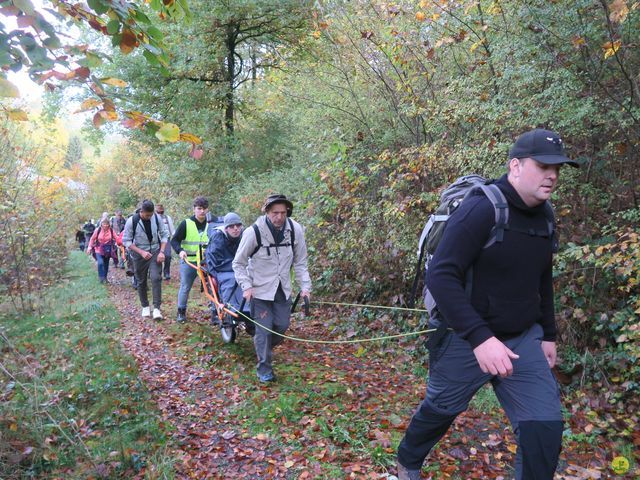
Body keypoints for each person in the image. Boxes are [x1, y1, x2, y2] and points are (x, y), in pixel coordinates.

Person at [396, 129, 579, 480]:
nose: (553, 175)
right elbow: (442, 276)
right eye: (543, 166)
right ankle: (408, 459)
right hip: (465, 338)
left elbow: (541, 278)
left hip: (522, 339)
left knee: (545, 429)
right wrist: (481, 339)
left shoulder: (545, 216)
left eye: (558, 168)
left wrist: (549, 334)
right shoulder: (481, 208)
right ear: (515, 166)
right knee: (441, 409)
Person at [233, 194, 312, 383]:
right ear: (267, 212)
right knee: (265, 330)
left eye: (283, 213)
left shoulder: (295, 230)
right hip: (259, 291)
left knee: (281, 327)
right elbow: (238, 263)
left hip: (282, 289)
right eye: (275, 213)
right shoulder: (254, 232)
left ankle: (263, 348)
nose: (279, 217)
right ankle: (264, 369)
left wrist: (305, 287)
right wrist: (246, 286)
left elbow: (301, 262)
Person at [122, 200, 169, 320]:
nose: (149, 217)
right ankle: (145, 306)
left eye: (151, 215)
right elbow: (126, 241)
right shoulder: (132, 221)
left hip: (155, 251)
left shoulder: (157, 218)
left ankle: (157, 309)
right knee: (141, 280)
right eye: (146, 215)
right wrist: (141, 252)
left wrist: (162, 252)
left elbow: (164, 235)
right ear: (141, 211)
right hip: (139, 254)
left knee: (156, 278)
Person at [204, 212, 251, 329]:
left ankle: (250, 308)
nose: (235, 229)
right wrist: (237, 266)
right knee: (231, 279)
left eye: (238, 225)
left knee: (250, 278)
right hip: (220, 268)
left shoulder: (244, 236)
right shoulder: (218, 238)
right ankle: (230, 308)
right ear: (226, 228)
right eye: (231, 226)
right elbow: (215, 260)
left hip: (238, 266)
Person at [171, 196, 210, 323]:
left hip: (207, 261)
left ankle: (215, 312)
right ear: (194, 209)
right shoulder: (186, 223)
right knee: (185, 286)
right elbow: (175, 240)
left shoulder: (212, 224)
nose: (202, 211)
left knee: (212, 286)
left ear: (208, 210)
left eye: (204, 209)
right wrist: (180, 251)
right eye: (199, 209)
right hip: (189, 261)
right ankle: (181, 312)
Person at [86, 218, 118, 283]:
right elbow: (92, 239)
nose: (105, 225)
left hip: (107, 249)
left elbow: (117, 238)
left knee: (106, 264)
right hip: (98, 249)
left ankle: (105, 278)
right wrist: (89, 247)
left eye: (107, 224)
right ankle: (101, 277)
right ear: (101, 224)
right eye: (104, 224)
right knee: (100, 263)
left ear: (109, 224)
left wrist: (121, 243)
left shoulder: (111, 230)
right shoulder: (98, 230)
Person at [155, 204, 175, 281]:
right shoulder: (153, 218)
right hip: (156, 240)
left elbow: (172, 230)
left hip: (167, 239)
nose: (160, 213)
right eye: (158, 211)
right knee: (157, 257)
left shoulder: (167, 218)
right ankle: (157, 273)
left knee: (168, 256)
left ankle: (166, 272)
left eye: (161, 211)